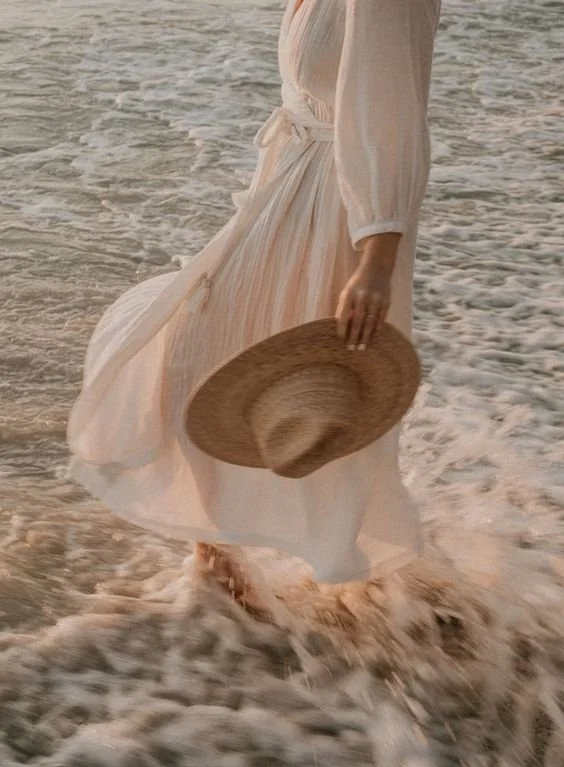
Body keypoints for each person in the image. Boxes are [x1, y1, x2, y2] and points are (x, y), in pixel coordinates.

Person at [67, 0, 442, 590]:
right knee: (196, 353)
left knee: (307, 386)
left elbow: (392, 116)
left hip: (341, 211)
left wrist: (377, 257)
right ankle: (220, 560)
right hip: (289, 186)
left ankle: (348, 574)